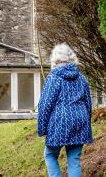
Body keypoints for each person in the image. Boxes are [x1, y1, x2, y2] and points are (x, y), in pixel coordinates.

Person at [37, 43, 93, 177]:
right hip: (80, 120)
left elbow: (45, 105)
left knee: (50, 155)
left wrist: (42, 129)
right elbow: (88, 104)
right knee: (74, 160)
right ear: (71, 58)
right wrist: (86, 121)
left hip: (60, 122)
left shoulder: (54, 77)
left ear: (55, 60)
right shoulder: (81, 78)